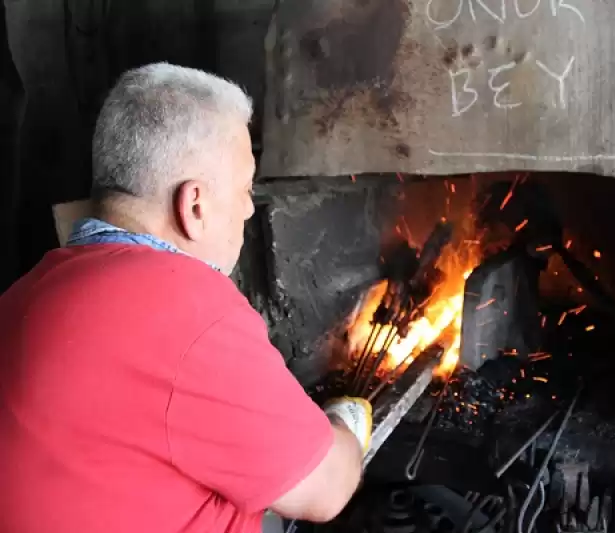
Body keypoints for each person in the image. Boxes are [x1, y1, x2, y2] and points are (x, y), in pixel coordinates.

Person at [0, 63, 371, 533]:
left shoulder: (24, 293)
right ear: (194, 206)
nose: (249, 208)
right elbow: (327, 489)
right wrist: (346, 423)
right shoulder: (186, 313)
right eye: (245, 188)